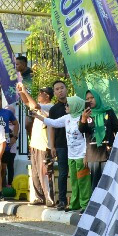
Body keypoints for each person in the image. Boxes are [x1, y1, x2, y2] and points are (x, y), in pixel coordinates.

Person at [35, 96, 90, 212]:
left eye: (68, 105)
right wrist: (38, 116)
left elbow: (87, 138)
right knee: (74, 181)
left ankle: (85, 204)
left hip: (81, 156)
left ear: (75, 106)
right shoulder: (67, 118)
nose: (66, 106)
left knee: (83, 181)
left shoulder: (83, 119)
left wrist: (86, 155)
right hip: (71, 155)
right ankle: (75, 204)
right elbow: (54, 123)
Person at [17, 83, 54, 206]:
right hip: (35, 144)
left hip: (44, 145)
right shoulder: (41, 106)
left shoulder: (50, 107)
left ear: (47, 96)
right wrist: (21, 92)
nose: (39, 95)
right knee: (35, 172)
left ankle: (49, 197)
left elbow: (34, 105)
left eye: (41, 93)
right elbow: (27, 103)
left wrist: (25, 91)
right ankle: (39, 197)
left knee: (44, 172)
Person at [78, 89, 118, 190]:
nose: (90, 100)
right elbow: (82, 130)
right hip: (93, 154)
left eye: (92, 98)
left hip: (108, 151)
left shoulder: (108, 111)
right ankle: (96, 205)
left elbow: (117, 128)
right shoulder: (85, 115)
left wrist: (115, 146)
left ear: (97, 98)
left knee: (109, 183)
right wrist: (83, 118)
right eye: (87, 99)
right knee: (95, 184)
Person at [48, 80, 70, 210]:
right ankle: (62, 200)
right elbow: (51, 127)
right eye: (57, 89)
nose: (60, 90)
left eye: (62, 87)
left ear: (66, 89)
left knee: (78, 172)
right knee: (62, 173)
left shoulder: (75, 104)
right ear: (54, 93)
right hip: (61, 145)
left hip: (76, 145)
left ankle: (78, 200)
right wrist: (52, 146)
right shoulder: (54, 109)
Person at [0, 92, 19, 190]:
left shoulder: (8, 113)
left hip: (5, 144)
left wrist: (14, 136)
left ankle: (2, 189)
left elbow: (16, 124)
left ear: (1, 101)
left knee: (3, 168)